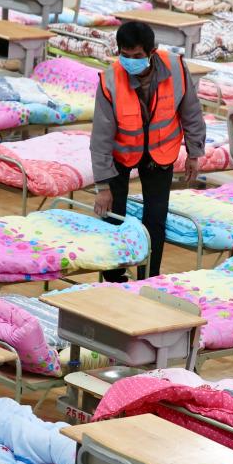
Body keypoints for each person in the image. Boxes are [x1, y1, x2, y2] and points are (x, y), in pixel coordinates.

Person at [90, 20, 207, 281]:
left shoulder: (176, 68)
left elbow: (191, 111)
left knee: (155, 218)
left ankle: (149, 277)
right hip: (122, 152)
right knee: (113, 215)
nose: (131, 61)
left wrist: (194, 153)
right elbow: (101, 136)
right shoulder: (110, 79)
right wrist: (103, 186)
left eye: (138, 56)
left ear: (152, 52)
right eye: (125, 56)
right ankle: (113, 277)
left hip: (160, 149)